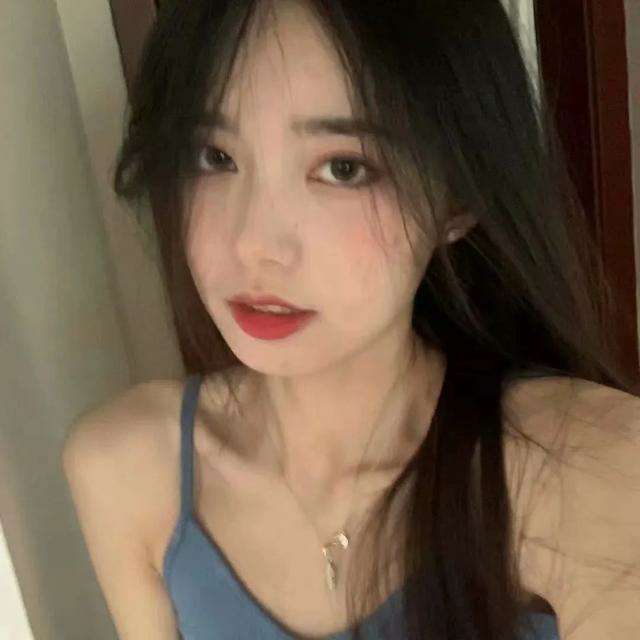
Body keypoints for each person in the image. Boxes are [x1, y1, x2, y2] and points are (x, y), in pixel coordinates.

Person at [61, 1, 640, 639]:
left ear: (457, 197)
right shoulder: (128, 468)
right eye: (214, 157)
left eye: (344, 168)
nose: (255, 245)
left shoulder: (583, 468)